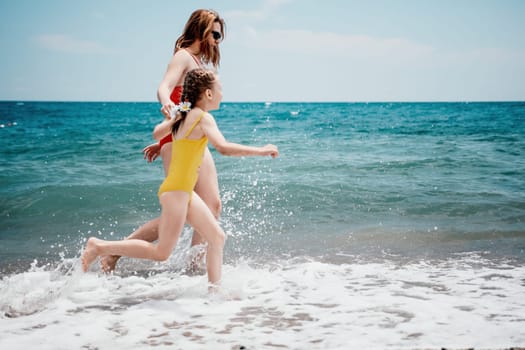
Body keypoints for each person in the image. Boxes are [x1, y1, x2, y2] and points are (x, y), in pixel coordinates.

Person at [82, 68, 279, 286]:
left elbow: (158, 133)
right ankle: (100, 247)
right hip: (177, 192)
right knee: (161, 252)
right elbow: (223, 148)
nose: (223, 93)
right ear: (208, 94)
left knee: (216, 238)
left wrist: (176, 116)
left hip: (180, 190)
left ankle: (215, 293)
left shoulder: (184, 117)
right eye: (220, 89)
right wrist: (261, 150)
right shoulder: (204, 118)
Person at [100, 9, 226, 272]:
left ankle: (195, 265)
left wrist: (165, 140)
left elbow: (190, 110)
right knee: (180, 210)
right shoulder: (182, 57)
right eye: (214, 34)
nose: (217, 40)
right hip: (178, 141)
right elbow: (164, 87)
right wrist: (167, 104)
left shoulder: (198, 63)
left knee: (212, 204)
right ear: (201, 31)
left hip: (189, 138)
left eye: (219, 35)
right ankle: (113, 251)